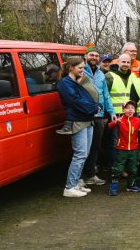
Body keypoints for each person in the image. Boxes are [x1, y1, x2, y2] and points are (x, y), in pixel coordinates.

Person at [57, 56, 101, 198]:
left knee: (84, 154)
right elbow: (75, 101)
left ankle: (76, 183)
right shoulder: (65, 83)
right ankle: (69, 187)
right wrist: (95, 108)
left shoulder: (75, 81)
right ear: (71, 68)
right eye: (80, 68)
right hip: (78, 121)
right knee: (80, 154)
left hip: (87, 120)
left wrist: (95, 107)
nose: (83, 70)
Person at [82, 44, 115, 187]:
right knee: (84, 147)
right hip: (85, 115)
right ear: (86, 57)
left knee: (95, 146)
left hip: (100, 115)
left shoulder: (101, 74)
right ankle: (80, 176)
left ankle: (91, 174)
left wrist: (112, 112)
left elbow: (106, 95)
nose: (94, 57)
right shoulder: (81, 71)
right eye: (91, 55)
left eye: (96, 55)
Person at [107, 100, 140, 195]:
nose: (130, 110)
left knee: (133, 169)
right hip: (121, 149)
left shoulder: (137, 120)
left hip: (134, 149)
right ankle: (113, 187)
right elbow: (109, 126)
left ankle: (130, 186)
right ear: (123, 109)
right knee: (118, 168)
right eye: (128, 108)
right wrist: (115, 121)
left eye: (132, 108)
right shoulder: (120, 119)